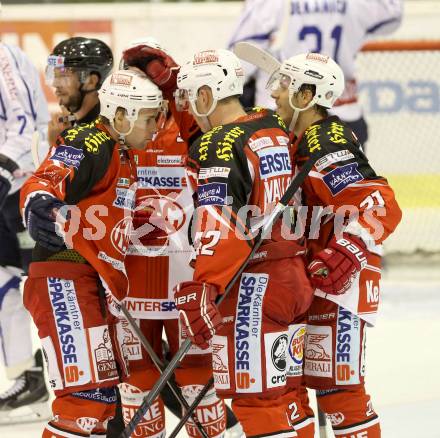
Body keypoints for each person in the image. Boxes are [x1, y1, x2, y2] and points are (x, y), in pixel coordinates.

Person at [123, 45, 315, 438]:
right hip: (293, 278)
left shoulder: (217, 145)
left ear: (207, 96)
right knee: (286, 399)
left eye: (191, 99)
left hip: (255, 287)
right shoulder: (269, 124)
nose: (188, 111)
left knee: (256, 403)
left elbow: (219, 225)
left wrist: (204, 287)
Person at [19, 68, 165, 437]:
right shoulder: (89, 140)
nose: (156, 127)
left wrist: (138, 223)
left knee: (99, 403)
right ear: (121, 116)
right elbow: (45, 181)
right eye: (149, 118)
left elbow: (100, 213)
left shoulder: (124, 152)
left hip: (91, 284)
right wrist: (40, 205)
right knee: (84, 403)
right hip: (64, 279)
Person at [268, 52, 402, 437]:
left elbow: (381, 203)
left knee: (339, 391)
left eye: (285, 85)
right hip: (305, 281)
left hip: (339, 283)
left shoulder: (325, 140)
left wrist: (349, 250)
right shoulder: (298, 136)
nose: (275, 93)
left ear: (307, 94)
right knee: (285, 388)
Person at [117, 36, 242, 438]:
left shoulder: (187, 124)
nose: (140, 87)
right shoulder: (117, 130)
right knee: (136, 374)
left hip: (186, 269)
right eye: (131, 78)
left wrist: (169, 85)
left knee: (197, 372)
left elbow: (199, 119)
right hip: (133, 270)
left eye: (149, 78)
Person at [228, 0, 403, 145]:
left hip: (285, 120)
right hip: (344, 114)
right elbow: (394, 13)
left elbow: (239, 62)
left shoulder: (270, 4)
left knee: (282, 186)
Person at [0, 30, 51, 421]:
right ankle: (30, 375)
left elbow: (22, 123)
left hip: (17, 186)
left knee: (35, 282)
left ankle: (45, 372)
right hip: (11, 185)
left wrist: (2, 171)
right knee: (10, 279)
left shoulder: (3, 58)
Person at [45, 36, 113, 146]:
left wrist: (59, 145)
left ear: (91, 81)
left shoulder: (107, 133)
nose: (55, 84)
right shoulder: (71, 123)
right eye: (54, 76)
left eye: (63, 76)